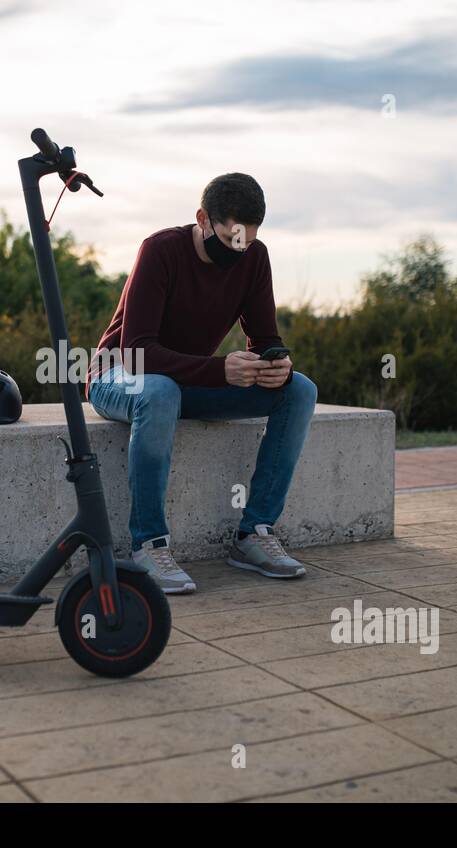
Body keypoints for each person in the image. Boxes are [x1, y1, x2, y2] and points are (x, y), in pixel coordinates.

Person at [86, 172, 317, 595]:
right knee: (159, 390)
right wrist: (219, 370)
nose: (238, 250)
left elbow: (265, 338)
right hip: (119, 374)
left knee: (299, 389)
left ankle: (254, 535)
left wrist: (276, 362)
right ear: (203, 219)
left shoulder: (254, 257)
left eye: (246, 240)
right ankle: (149, 544)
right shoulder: (160, 251)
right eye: (230, 239)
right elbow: (140, 351)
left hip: (184, 385)